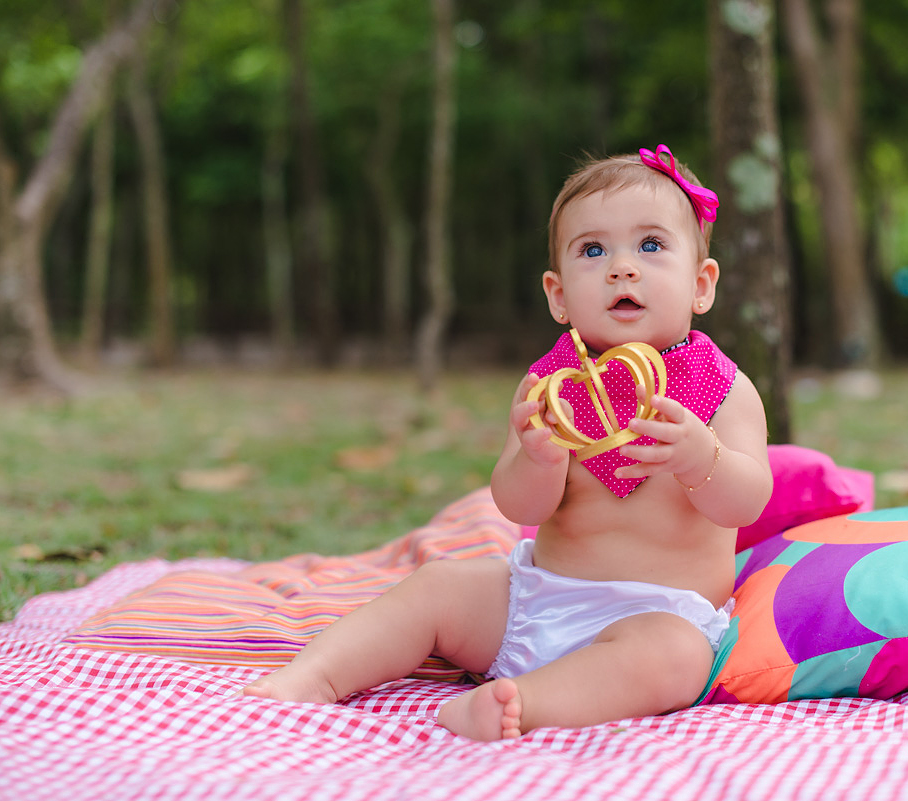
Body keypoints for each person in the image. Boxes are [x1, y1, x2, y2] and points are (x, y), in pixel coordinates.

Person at [241, 145, 773, 741]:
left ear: (701, 285)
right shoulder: (553, 388)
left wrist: (703, 459)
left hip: (655, 616)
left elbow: (747, 503)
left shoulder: (723, 390)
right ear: (558, 296)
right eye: (593, 251)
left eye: (650, 245)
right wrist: (539, 459)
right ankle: (313, 676)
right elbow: (520, 507)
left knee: (675, 659)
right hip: (537, 602)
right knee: (440, 586)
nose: (622, 268)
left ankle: (522, 702)